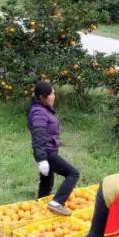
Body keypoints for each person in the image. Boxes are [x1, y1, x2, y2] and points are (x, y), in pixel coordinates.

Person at [28, 81, 79, 216]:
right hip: (47, 153)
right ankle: (57, 203)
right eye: (51, 94)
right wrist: (41, 159)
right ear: (41, 97)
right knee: (73, 173)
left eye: (54, 93)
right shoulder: (39, 112)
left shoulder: (43, 109)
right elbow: (38, 137)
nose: (54, 96)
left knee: (46, 183)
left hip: (49, 150)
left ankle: (38, 210)